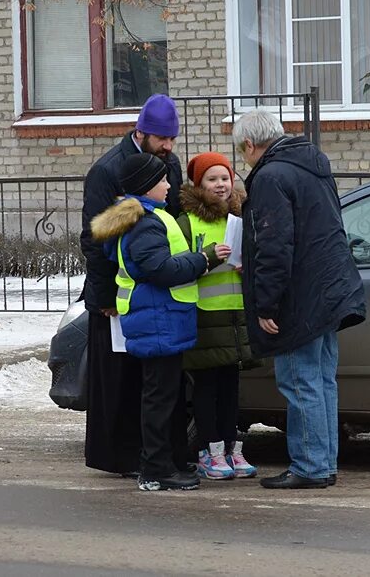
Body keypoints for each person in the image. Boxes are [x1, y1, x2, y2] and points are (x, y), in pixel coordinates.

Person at [233, 110, 366, 490]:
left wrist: (266, 303)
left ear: (249, 145)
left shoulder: (271, 177)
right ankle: (323, 464)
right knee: (322, 380)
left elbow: (275, 245)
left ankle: (309, 466)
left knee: (300, 381)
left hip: (298, 296)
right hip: (327, 290)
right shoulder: (311, 166)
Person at [90, 153, 227, 491]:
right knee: (159, 397)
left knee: (164, 395)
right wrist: (203, 259)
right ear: (146, 186)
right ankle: (155, 468)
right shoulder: (147, 222)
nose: (169, 185)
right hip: (157, 318)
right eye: (163, 180)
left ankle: (165, 462)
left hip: (161, 318)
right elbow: (161, 269)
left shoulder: (148, 217)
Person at [80, 94, 185, 477]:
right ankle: (120, 456)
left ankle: (154, 453)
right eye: (162, 139)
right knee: (118, 378)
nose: (169, 147)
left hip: (156, 288)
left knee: (153, 381)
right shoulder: (107, 170)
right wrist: (105, 295)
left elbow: (173, 219)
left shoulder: (167, 163)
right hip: (117, 295)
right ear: (141, 132)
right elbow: (94, 238)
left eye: (172, 139)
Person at [175, 152, 256, 480]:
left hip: (235, 317)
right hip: (206, 317)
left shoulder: (239, 217)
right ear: (199, 185)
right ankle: (210, 451)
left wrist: (245, 263)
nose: (221, 185)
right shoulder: (189, 221)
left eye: (225, 177)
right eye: (212, 179)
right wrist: (206, 259)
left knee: (231, 387)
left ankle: (231, 450)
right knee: (207, 388)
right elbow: (178, 266)